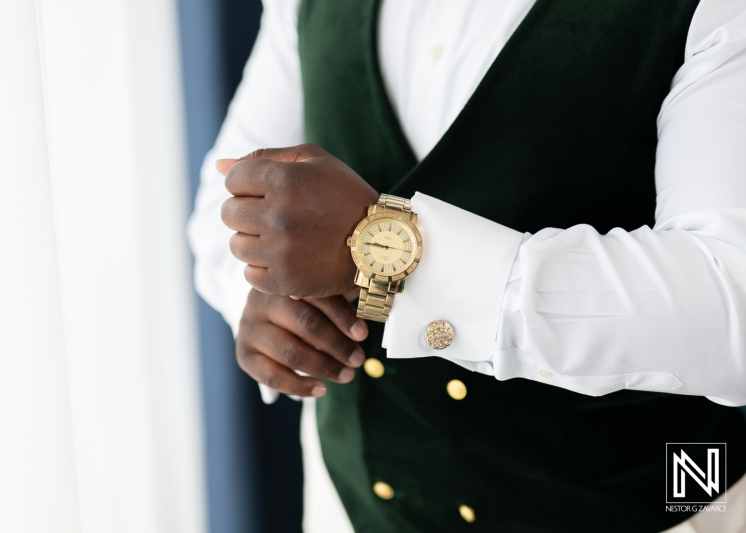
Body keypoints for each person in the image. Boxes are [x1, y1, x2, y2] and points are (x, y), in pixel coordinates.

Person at [188, 0, 746, 531]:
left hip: (644, 505)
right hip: (351, 503)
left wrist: (393, 252)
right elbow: (229, 192)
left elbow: (730, 302)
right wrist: (257, 289)